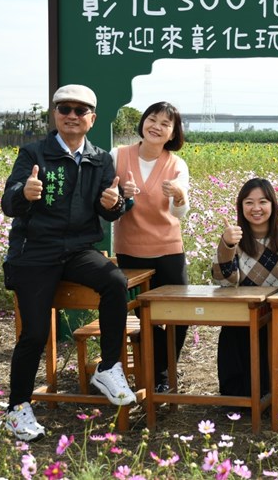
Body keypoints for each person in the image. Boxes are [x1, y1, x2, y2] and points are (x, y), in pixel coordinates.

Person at [1, 84, 135, 442]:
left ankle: (108, 367)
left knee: (115, 281)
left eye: (80, 110)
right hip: (34, 252)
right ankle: (16, 407)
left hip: (77, 250)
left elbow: (110, 209)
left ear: (92, 119)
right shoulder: (33, 153)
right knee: (35, 333)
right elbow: (8, 203)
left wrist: (114, 204)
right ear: (55, 115)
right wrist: (23, 193)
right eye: (65, 109)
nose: (72, 116)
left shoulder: (100, 159)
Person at [111, 101, 190, 393]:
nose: (156, 127)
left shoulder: (176, 164)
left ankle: (165, 370)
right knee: (145, 316)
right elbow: (106, 202)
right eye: (152, 119)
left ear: (173, 134)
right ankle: (157, 375)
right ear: (143, 122)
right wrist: (119, 194)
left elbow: (179, 213)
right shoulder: (117, 156)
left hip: (169, 250)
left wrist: (179, 195)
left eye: (165, 124)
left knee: (179, 314)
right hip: (131, 251)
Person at [212, 178, 278, 397]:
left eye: (263, 202)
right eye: (249, 202)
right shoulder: (234, 238)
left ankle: (267, 392)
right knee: (232, 329)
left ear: (273, 205)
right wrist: (227, 245)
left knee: (265, 328)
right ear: (241, 207)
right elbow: (225, 282)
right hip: (249, 314)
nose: (256, 208)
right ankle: (236, 395)